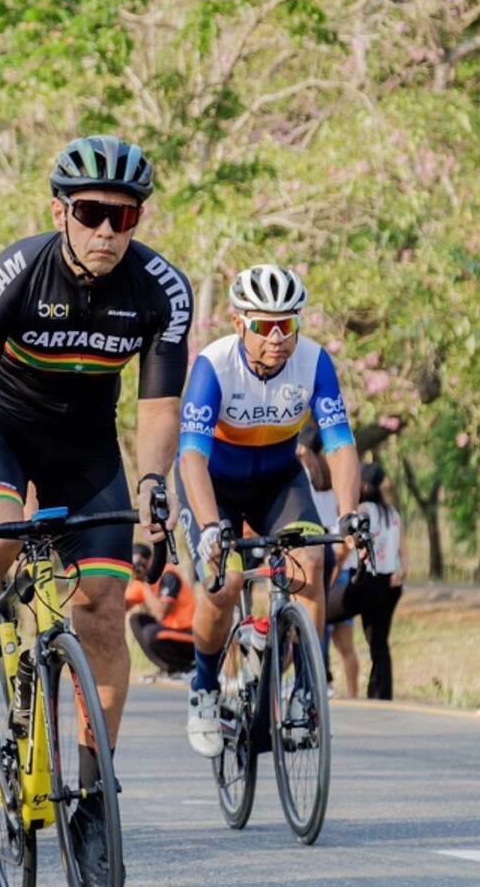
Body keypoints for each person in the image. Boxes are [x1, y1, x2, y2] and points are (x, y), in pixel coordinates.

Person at [0, 135, 190, 881]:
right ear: (59, 213)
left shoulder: (162, 290)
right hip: (1, 437)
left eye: (123, 216)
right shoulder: (12, 274)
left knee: (102, 609)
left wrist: (153, 485)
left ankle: (95, 799)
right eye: (91, 212)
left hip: (86, 451)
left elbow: (158, 405)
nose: (107, 230)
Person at [176, 264, 362, 757]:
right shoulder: (214, 366)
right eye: (264, 325)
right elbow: (191, 457)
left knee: (312, 563)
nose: (277, 338)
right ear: (239, 323)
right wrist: (211, 527)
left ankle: (305, 690)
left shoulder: (314, 362)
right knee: (225, 583)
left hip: (278, 481)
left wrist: (349, 513)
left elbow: (340, 444)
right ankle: (204, 688)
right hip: (214, 484)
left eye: (287, 324)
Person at [328, 461, 407, 699]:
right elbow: (403, 551)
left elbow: (344, 551)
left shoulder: (362, 511)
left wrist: (331, 577)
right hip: (390, 584)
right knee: (379, 644)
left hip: (365, 581)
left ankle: (316, 677)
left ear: (361, 485)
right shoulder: (393, 514)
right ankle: (381, 696)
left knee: (320, 614)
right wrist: (401, 572)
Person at [299, 442, 359, 698]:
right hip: (336, 551)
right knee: (340, 636)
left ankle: (316, 677)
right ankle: (347, 691)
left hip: (314, 546)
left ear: (303, 449)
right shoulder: (333, 473)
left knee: (314, 618)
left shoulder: (302, 474)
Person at [125, 543, 194, 676]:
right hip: (169, 632)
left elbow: (161, 613)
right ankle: (170, 669)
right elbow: (122, 606)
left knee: (150, 633)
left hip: (189, 634)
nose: (139, 567)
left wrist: (144, 582)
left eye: (141, 563)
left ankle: (185, 668)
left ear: (150, 560)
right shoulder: (141, 579)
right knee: (136, 619)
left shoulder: (168, 574)